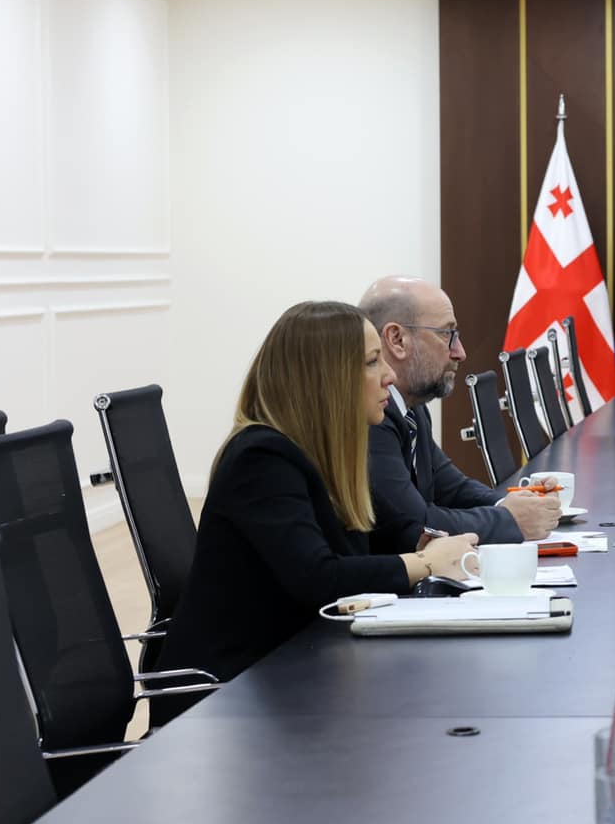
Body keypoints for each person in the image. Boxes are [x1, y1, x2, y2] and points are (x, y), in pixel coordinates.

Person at [157, 301, 478, 700]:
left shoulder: (323, 453)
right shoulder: (262, 459)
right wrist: (427, 563)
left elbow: (381, 533)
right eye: (372, 362)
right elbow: (319, 578)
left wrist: (434, 547)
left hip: (292, 672)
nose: (390, 376)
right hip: (228, 695)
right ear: (326, 379)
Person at [359, 276, 559, 547]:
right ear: (397, 340)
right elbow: (414, 524)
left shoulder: (411, 407)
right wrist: (509, 520)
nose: (460, 352)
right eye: (447, 334)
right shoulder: (371, 417)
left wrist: (515, 503)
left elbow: (450, 488)